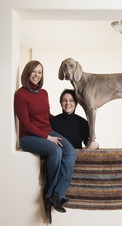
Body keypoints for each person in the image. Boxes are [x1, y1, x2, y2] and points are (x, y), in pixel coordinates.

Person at [14, 60, 76, 214]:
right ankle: (49, 194)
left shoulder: (44, 93)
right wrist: (47, 138)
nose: (36, 75)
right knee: (55, 151)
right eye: (34, 71)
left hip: (47, 131)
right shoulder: (20, 94)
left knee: (70, 151)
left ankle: (57, 194)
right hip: (28, 137)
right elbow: (26, 124)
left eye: (39, 72)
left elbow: (46, 116)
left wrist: (62, 122)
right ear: (27, 73)